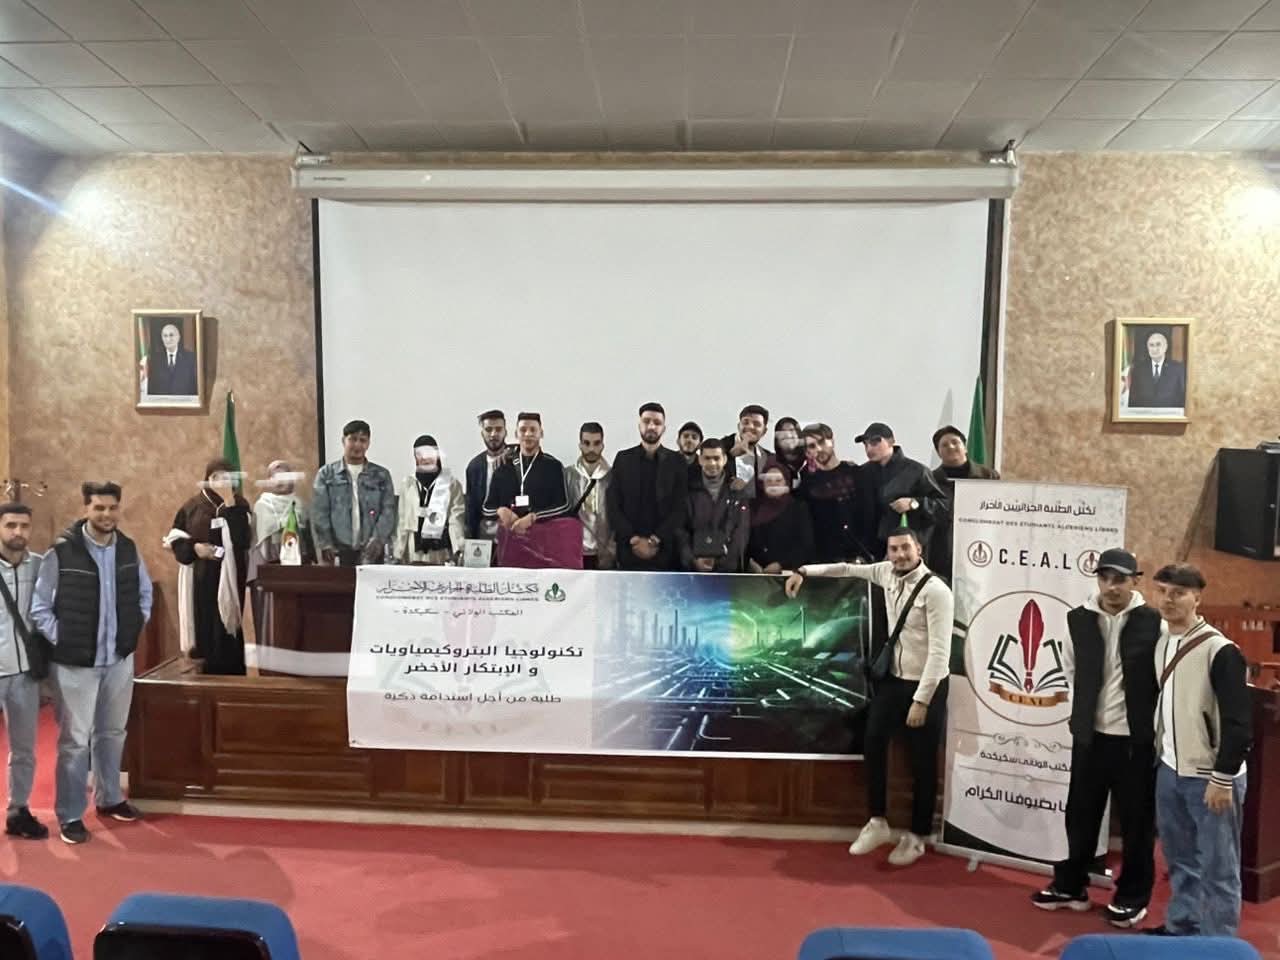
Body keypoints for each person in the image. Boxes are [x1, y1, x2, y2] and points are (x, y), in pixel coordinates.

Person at [786, 526, 952, 867]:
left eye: (905, 548)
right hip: (894, 680)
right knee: (873, 742)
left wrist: (921, 701)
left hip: (928, 684)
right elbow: (845, 569)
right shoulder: (885, 572)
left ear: (919, 549)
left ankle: (918, 836)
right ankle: (877, 821)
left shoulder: (936, 591)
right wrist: (803, 571)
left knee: (922, 761)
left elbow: (940, 653)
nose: (900, 555)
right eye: (894, 549)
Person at [1031, 549, 1161, 928]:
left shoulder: (1155, 623)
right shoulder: (1078, 619)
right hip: (1090, 737)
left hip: (1135, 741)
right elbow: (1070, 669)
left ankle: (1133, 896)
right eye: (1105, 578)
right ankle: (1071, 885)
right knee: (1080, 816)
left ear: (1134, 581)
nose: (1111, 586)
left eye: (1120, 579)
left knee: (1137, 823)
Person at [31, 481, 154, 845]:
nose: (106, 514)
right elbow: (40, 606)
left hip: (118, 661)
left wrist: (132, 630)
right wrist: (64, 639)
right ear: (86, 508)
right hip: (75, 666)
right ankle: (70, 814)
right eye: (99, 507)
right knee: (75, 742)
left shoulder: (128, 549)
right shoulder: (62, 551)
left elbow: (144, 594)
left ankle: (110, 798)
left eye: (112, 507)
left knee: (112, 733)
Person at [1147, 563, 1251, 938]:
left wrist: (1222, 778)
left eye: (1178, 593)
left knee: (1218, 866)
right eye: (1162, 591)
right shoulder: (1163, 643)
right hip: (1170, 769)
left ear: (1197, 598)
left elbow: (1239, 722)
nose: (1168, 600)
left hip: (1210, 778)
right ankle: (1183, 926)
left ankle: (1217, 943)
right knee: (1180, 859)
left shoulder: (1220, 650)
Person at [167, 460, 252, 675]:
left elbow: (243, 540)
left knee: (229, 635)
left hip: (231, 579)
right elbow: (176, 538)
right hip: (201, 579)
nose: (221, 481)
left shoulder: (240, 505)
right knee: (204, 632)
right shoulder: (192, 506)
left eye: (226, 477)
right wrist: (195, 549)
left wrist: (229, 503)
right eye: (215, 477)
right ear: (207, 479)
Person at [0, 502, 47, 840]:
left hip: (25, 673)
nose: (18, 532)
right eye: (10, 525)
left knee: (25, 748)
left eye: (24, 526)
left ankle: (18, 810)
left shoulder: (41, 566)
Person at [607, 403, 689, 571]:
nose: (651, 426)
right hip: (628, 548)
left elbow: (680, 506)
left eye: (657, 422)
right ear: (639, 425)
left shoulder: (676, 461)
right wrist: (633, 539)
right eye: (646, 421)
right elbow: (613, 503)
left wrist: (656, 539)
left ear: (664, 428)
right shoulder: (623, 459)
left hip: (665, 549)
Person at [856, 422, 945, 561]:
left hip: (907, 550)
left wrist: (914, 503)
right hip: (871, 552)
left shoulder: (916, 471)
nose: (869, 448)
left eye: (875, 442)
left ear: (891, 441)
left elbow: (943, 507)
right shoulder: (863, 473)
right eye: (865, 444)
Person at [312, 419, 396, 565]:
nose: (357, 445)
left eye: (362, 440)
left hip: (372, 550)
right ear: (343, 441)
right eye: (353, 439)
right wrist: (326, 543)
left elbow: (388, 510)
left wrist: (378, 540)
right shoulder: (326, 474)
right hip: (337, 551)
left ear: (368, 444)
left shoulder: (381, 475)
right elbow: (319, 512)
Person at [929, 425, 1000, 584]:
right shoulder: (930, 480)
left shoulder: (988, 476)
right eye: (944, 445)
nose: (950, 447)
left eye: (955, 442)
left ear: (965, 447)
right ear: (938, 452)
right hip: (943, 549)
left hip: (981, 543)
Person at [249, 461, 308, 646]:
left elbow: (306, 538)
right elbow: (258, 541)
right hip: (268, 568)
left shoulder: (299, 504)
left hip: (295, 569)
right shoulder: (262, 505)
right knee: (269, 620)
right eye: (276, 477)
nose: (281, 481)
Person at [483, 412, 569, 531]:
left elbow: (563, 506)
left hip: (543, 537)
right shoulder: (503, 466)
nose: (528, 434)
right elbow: (487, 508)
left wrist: (534, 517)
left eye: (533, 430)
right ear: (516, 434)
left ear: (541, 433)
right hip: (509, 536)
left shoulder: (553, 467)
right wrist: (500, 511)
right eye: (523, 430)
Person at [799, 423, 870, 563]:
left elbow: (868, 514)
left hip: (856, 557)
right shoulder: (805, 479)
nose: (818, 449)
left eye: (821, 442)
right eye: (811, 446)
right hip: (820, 559)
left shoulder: (855, 473)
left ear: (832, 441)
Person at [678, 438, 750, 573]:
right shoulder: (687, 490)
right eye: (707, 458)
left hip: (728, 572)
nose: (712, 463)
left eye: (716, 458)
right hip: (692, 570)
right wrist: (693, 560)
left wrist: (723, 564)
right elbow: (680, 530)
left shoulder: (737, 492)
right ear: (700, 460)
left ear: (725, 460)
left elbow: (741, 531)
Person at [396, 435, 465, 565]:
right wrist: (398, 553)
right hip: (414, 551)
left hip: (442, 551)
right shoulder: (408, 483)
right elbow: (403, 520)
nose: (425, 458)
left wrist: (459, 549)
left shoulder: (451, 484)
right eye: (420, 454)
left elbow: (456, 519)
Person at [747, 463, 815, 574]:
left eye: (778, 480)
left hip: (789, 573)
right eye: (769, 481)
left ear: (786, 482)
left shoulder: (798, 508)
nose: (773, 484)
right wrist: (751, 563)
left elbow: (805, 545)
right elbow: (745, 541)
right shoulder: (753, 507)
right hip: (756, 573)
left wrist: (781, 564)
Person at [564, 422, 614, 569]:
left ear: (602, 445)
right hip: (574, 551)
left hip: (604, 552)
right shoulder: (567, 475)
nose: (591, 448)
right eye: (586, 443)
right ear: (580, 445)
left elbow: (619, 514)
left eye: (596, 443)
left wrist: (612, 548)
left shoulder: (613, 477)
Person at [465, 410, 513, 541]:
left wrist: (511, 451)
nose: (493, 434)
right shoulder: (474, 467)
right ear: (482, 433)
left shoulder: (515, 459)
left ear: (505, 432)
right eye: (488, 429)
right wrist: (470, 541)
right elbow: (471, 509)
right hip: (484, 533)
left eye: (498, 429)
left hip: (512, 530)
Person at [1128, 329, 1187, 409]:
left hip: (1170, 414)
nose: (1154, 349)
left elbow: (1183, 398)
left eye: (1158, 344)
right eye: (1151, 345)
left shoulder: (1178, 369)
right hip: (1145, 414)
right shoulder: (1138, 369)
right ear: (1147, 348)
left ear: (1165, 347)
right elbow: (1133, 400)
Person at [723, 404, 772, 499]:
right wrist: (730, 455)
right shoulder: (720, 447)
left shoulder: (767, 458)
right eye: (746, 422)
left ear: (764, 431)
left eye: (756, 424)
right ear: (739, 426)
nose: (750, 427)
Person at [146, 321, 198, 396]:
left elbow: (194, 385)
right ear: (162, 338)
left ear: (178, 337)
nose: (168, 339)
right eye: (165, 336)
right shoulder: (155, 360)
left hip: (184, 401)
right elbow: (152, 388)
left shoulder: (190, 357)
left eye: (171, 335)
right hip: (162, 402)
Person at [773, 417, 806, 489]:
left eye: (792, 430)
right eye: (782, 431)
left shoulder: (811, 463)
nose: (788, 435)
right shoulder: (770, 464)